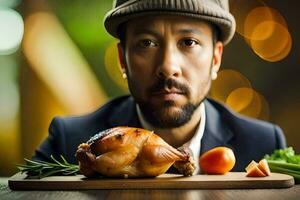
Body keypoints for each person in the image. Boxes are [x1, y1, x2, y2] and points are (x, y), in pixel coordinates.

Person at [33, 0, 286, 173]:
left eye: (188, 42)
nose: (168, 66)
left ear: (216, 59)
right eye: (146, 43)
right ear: (123, 59)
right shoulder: (67, 142)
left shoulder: (263, 145)